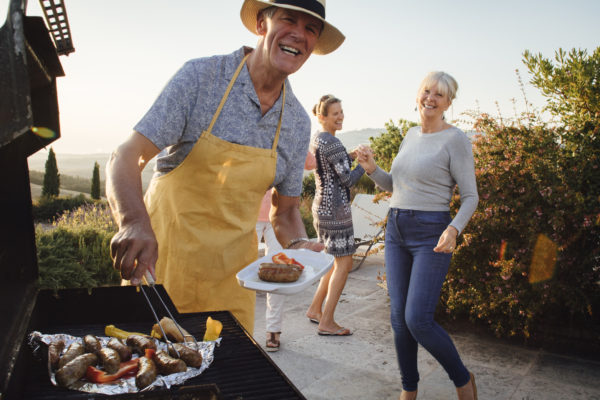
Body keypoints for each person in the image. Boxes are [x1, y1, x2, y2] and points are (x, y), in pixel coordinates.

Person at [106, 0, 344, 334]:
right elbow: (127, 156)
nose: (299, 35)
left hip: (233, 284)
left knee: (228, 381)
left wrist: (298, 247)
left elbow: (286, 212)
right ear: (262, 24)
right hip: (161, 270)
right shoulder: (201, 79)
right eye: (288, 20)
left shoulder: (296, 121)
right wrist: (132, 222)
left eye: (311, 29)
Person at [356, 72, 479, 400]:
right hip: (396, 228)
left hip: (432, 233)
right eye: (427, 91)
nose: (431, 98)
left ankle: (463, 380)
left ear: (448, 103)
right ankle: (408, 389)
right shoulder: (410, 135)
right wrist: (371, 168)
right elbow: (396, 186)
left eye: (440, 95)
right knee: (399, 319)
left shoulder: (456, 140)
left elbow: (470, 197)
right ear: (418, 94)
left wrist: (454, 229)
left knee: (418, 319)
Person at [305, 94, 365, 336]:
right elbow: (348, 179)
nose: (340, 117)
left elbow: (331, 164)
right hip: (336, 211)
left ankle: (315, 309)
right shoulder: (332, 142)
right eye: (335, 113)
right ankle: (327, 321)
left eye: (341, 112)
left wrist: (348, 156)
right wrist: (364, 163)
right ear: (322, 117)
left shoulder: (318, 139)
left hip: (321, 207)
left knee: (332, 261)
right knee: (345, 262)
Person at [258, 152, 316, 351]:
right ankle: (237, 327)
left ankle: (273, 329)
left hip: (279, 217)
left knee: (277, 274)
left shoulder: (290, 131)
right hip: (248, 214)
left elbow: (310, 162)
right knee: (238, 274)